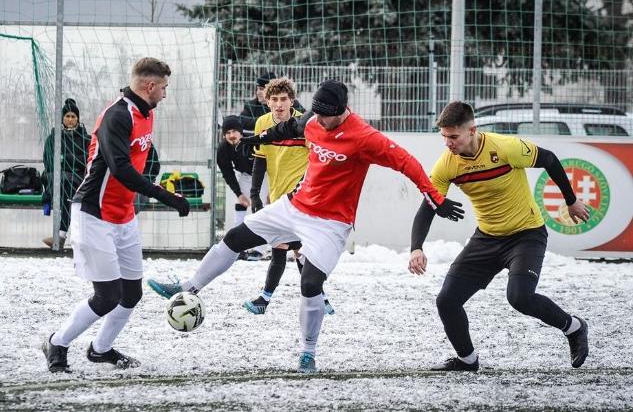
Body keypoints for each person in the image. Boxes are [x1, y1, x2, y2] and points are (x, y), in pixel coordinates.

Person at [148, 80, 464, 373]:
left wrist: (436, 198)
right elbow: (287, 130)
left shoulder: (365, 138)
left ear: (342, 111)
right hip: (294, 206)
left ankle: (308, 352)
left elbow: (407, 162)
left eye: (327, 117)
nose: (320, 122)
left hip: (331, 223)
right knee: (234, 238)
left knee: (310, 285)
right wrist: (255, 140)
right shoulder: (314, 120)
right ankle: (188, 288)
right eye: (317, 115)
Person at [409, 101, 590, 372]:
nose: (447, 142)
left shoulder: (506, 148)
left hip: (526, 234)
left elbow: (549, 159)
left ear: (472, 130)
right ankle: (467, 359)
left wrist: (571, 200)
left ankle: (574, 327)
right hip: (487, 238)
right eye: (444, 136)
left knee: (519, 297)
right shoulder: (447, 164)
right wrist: (416, 248)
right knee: (446, 301)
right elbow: (428, 207)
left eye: (453, 136)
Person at [41, 57, 191, 373]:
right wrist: (165, 196)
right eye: (164, 87)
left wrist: (160, 188)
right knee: (108, 295)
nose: (165, 93)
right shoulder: (117, 116)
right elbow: (120, 169)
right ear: (150, 85)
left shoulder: (146, 114)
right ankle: (57, 342)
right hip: (94, 213)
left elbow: (141, 164)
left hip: (123, 216)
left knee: (131, 293)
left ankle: (101, 349)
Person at [243, 77, 334, 316]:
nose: (279, 104)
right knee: (291, 250)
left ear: (292, 101)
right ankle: (321, 298)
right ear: (267, 101)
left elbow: (317, 160)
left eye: (284, 99)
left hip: (302, 199)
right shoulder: (262, 123)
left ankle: (265, 298)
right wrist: (255, 195)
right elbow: (260, 161)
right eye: (274, 99)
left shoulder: (305, 123)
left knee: (287, 249)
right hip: (277, 198)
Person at [41, 98, 92, 248]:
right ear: (62, 118)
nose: (70, 120)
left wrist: (64, 158)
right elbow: (50, 161)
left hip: (77, 180)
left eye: (73, 117)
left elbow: (86, 160)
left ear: (78, 119)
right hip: (55, 179)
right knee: (65, 187)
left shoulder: (85, 139)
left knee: (68, 188)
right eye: (67, 116)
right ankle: (64, 235)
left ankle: (61, 236)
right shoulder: (53, 138)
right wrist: (72, 160)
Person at [215, 115, 267, 259]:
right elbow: (228, 173)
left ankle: (260, 249)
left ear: (241, 132)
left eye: (234, 132)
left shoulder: (253, 140)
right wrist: (239, 194)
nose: (231, 135)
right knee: (240, 205)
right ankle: (238, 248)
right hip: (246, 175)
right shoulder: (223, 149)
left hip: (266, 173)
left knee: (259, 209)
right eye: (228, 133)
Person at [238, 72, 305, 137]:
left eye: (261, 89)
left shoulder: (292, 103)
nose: (258, 92)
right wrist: (269, 120)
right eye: (257, 89)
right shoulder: (251, 105)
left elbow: (304, 119)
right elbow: (241, 121)